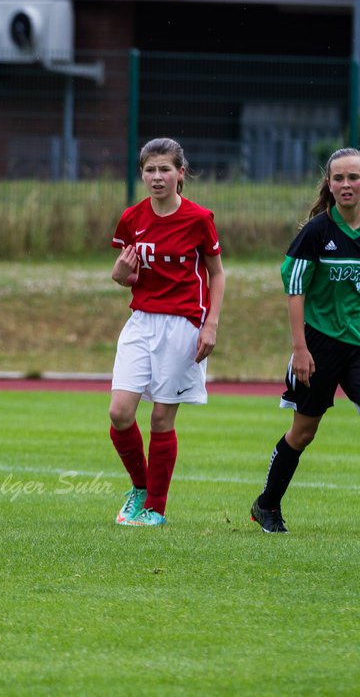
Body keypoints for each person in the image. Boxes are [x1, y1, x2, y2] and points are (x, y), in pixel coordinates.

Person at [106, 137, 225, 527]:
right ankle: (140, 488)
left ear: (180, 173)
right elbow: (126, 274)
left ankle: (155, 508)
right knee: (120, 413)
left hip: (184, 326)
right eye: (150, 170)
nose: (157, 177)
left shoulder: (198, 218)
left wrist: (210, 325)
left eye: (165, 169)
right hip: (141, 321)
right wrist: (121, 276)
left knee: (160, 419)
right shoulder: (132, 218)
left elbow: (217, 274)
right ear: (142, 173)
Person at [251, 147, 360, 534]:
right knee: (303, 432)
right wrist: (300, 349)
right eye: (339, 178)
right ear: (328, 184)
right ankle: (267, 505)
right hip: (319, 344)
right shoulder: (317, 232)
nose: (347, 184)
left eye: (354, 177)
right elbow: (294, 288)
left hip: (359, 346)